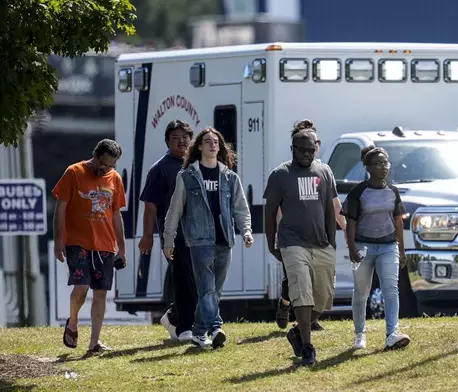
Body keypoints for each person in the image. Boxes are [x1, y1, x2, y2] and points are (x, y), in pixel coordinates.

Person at [163, 127, 253, 349]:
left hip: (225, 240)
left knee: (216, 289)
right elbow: (174, 210)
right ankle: (215, 327)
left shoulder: (230, 177)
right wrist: (168, 240)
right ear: (199, 147)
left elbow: (240, 208)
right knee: (206, 288)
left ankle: (198, 333)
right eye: (208, 141)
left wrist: (247, 231)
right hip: (199, 240)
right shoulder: (187, 176)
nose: (213, 145)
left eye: (216, 142)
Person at [264, 121, 338, 366]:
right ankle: (307, 347)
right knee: (302, 294)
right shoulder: (280, 175)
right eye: (302, 149)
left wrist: (332, 241)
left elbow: (329, 208)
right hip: (292, 241)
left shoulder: (325, 172)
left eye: (311, 150)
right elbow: (269, 211)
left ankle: (296, 331)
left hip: (321, 243)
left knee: (325, 298)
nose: (307, 154)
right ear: (293, 148)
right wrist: (271, 243)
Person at [53, 139, 126, 354]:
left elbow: (115, 214)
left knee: (101, 293)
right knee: (81, 287)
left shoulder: (115, 179)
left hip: (105, 244)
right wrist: (59, 240)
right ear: (94, 156)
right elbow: (61, 207)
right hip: (77, 242)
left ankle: (94, 342)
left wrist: (121, 248)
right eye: (102, 165)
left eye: (110, 166)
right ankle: (73, 323)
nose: (105, 170)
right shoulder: (73, 172)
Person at [275, 120, 347, 331]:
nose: (313, 146)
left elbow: (335, 205)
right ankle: (285, 304)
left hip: (318, 237)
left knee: (316, 281)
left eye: (315, 142)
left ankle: (307, 321)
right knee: (295, 280)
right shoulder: (286, 172)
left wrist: (348, 228)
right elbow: (278, 208)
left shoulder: (324, 170)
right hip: (294, 238)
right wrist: (280, 235)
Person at [342, 146, 411, 350]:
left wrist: (401, 249)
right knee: (361, 291)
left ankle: (392, 334)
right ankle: (359, 334)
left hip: (388, 246)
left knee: (391, 290)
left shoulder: (393, 191)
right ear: (368, 167)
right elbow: (351, 222)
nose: (383, 167)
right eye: (378, 164)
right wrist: (352, 248)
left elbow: (398, 221)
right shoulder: (358, 192)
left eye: (385, 163)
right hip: (363, 246)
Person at [138, 119, 196, 342]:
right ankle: (182, 325)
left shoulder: (198, 164)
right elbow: (150, 205)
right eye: (175, 138)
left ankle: (173, 316)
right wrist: (147, 236)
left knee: (198, 279)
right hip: (174, 234)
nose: (181, 141)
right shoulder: (160, 169)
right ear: (167, 141)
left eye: (185, 137)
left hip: (199, 234)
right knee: (183, 279)